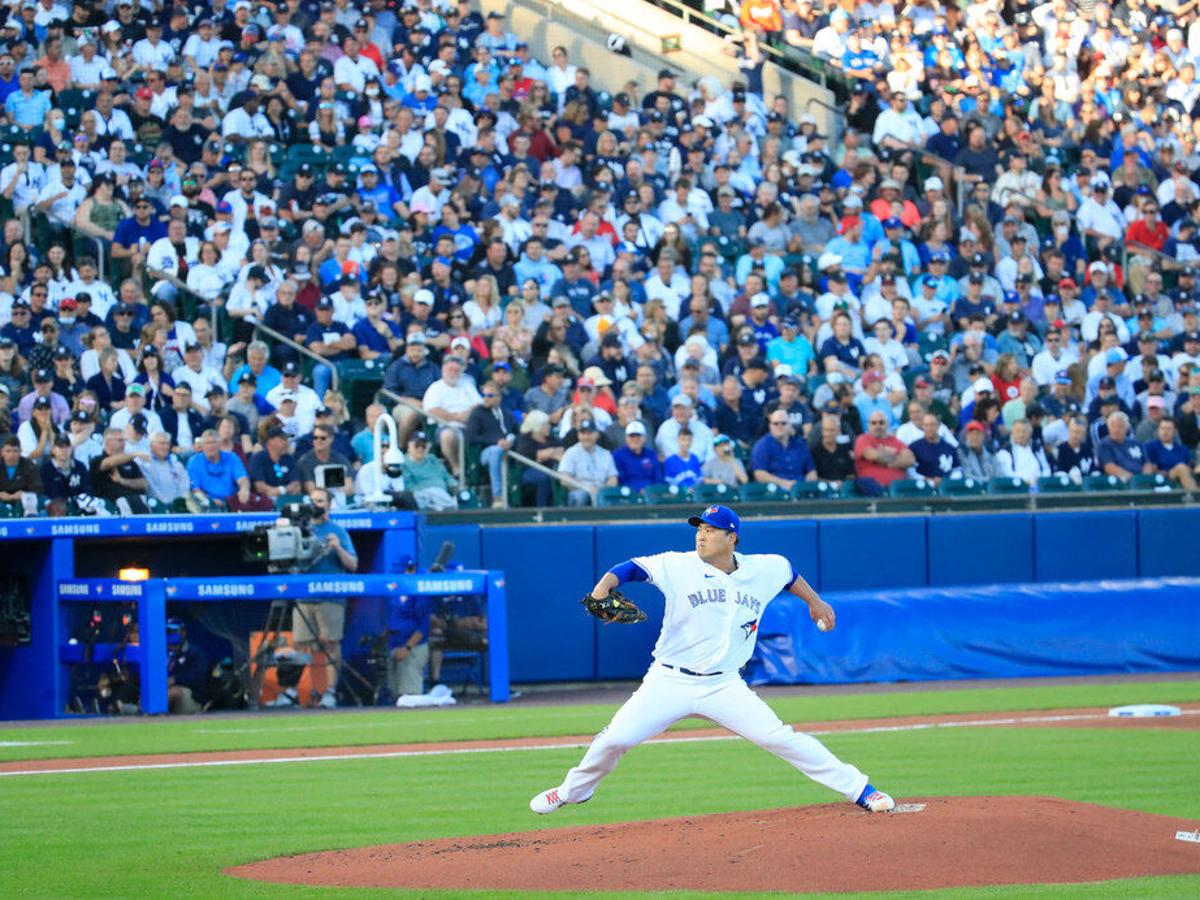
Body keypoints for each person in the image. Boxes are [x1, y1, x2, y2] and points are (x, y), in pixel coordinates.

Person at [530, 505, 894, 815]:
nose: (701, 536)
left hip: (724, 684)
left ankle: (861, 790)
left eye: (711, 530)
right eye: (699, 529)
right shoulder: (677, 565)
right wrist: (602, 588)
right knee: (614, 740)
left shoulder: (766, 568)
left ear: (732, 538)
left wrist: (815, 601)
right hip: (669, 681)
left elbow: (789, 576)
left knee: (780, 738)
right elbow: (628, 569)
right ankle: (572, 791)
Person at [275, 488, 358, 710]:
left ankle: (330, 692)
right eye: (312, 500)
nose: (315, 504)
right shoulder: (301, 529)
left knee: (330, 643)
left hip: (330, 595)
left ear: (330, 504)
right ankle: (292, 691)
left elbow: (353, 565)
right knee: (300, 645)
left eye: (320, 500)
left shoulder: (338, 531)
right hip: (304, 594)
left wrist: (337, 547)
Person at [464, 380, 518, 507]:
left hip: (508, 449)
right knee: (496, 451)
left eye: (490, 396)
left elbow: (518, 432)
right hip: (485, 452)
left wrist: (510, 441)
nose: (486, 399)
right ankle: (498, 496)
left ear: (499, 398)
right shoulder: (477, 413)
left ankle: (515, 496)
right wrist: (496, 442)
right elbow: (470, 436)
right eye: (484, 395)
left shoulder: (507, 414)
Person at [557, 417, 617, 505]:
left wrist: (602, 490)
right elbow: (564, 479)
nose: (586, 437)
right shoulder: (571, 452)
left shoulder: (605, 454)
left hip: (601, 490)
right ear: (578, 435)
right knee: (580, 496)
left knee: (611, 497)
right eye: (583, 433)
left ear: (597, 434)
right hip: (580, 490)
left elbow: (613, 479)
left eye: (589, 433)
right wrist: (585, 488)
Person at [751, 411, 816, 489]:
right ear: (770, 426)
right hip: (775, 492)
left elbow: (811, 471)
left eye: (783, 423)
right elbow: (760, 474)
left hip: (801, 490)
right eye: (776, 423)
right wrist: (783, 483)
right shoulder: (761, 446)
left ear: (790, 426)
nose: (779, 426)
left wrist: (805, 485)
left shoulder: (800, 445)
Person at [387, 592, 435, 700]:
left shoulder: (419, 590)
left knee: (409, 696)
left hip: (414, 647)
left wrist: (407, 647)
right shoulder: (393, 585)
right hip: (393, 646)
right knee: (394, 694)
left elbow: (424, 625)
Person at [853, 413, 915, 493]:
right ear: (868, 425)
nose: (877, 426)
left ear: (888, 424)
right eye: (873, 423)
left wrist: (885, 462)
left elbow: (910, 460)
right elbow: (873, 456)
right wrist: (898, 456)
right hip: (872, 489)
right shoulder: (863, 439)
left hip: (899, 489)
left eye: (881, 423)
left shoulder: (896, 441)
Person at [402, 433, 458, 510]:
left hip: (442, 493)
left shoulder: (432, 459)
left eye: (423, 446)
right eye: (417, 445)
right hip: (423, 496)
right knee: (433, 493)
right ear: (409, 446)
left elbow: (447, 477)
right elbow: (410, 487)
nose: (420, 449)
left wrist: (455, 488)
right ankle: (450, 505)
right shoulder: (404, 463)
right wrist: (429, 492)